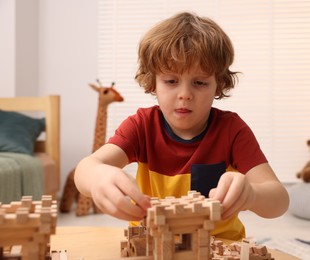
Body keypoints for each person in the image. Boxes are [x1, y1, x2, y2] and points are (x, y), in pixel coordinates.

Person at [75, 12, 289, 240]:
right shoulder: (141, 126)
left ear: (218, 85)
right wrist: (97, 176)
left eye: (199, 82)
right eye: (171, 81)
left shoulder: (232, 130)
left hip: (217, 246)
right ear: (152, 83)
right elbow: (86, 169)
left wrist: (252, 194)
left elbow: (279, 200)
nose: (185, 95)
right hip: (151, 244)